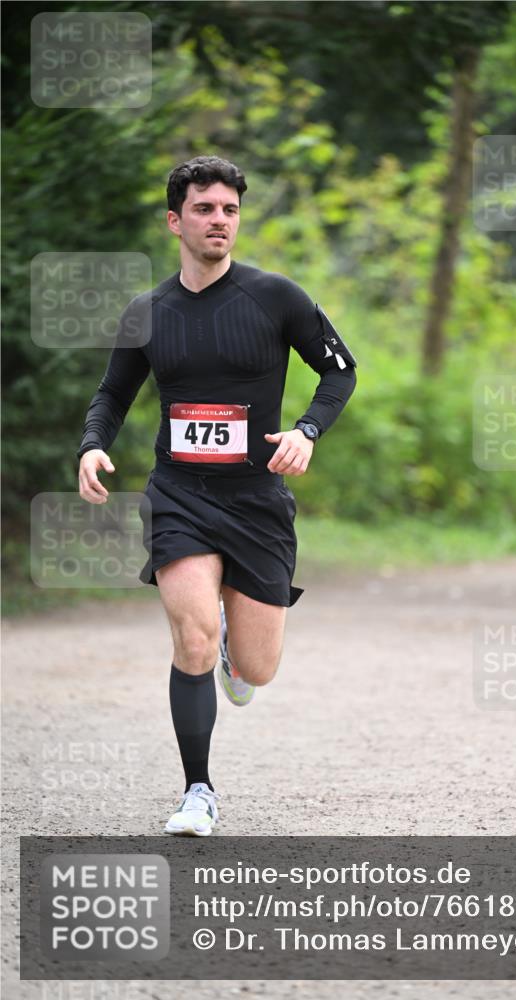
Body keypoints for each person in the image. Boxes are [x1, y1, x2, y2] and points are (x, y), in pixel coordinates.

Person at [77, 155, 357, 835]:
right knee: (192, 639)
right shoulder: (148, 313)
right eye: (204, 209)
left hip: (256, 499)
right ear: (175, 220)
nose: (219, 221)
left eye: (229, 210)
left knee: (254, 669)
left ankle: (238, 646)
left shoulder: (277, 299)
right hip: (179, 492)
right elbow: (114, 394)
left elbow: (338, 371)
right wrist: (92, 442)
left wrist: (308, 430)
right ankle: (197, 790)